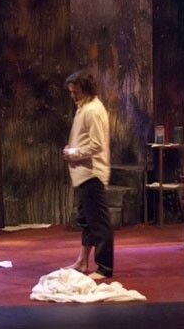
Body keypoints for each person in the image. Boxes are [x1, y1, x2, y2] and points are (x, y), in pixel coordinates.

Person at [62, 70, 113, 280]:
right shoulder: (84, 107)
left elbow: (96, 144)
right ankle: (83, 261)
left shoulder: (92, 110)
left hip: (92, 174)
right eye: (71, 92)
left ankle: (104, 267)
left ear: (86, 89)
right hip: (84, 174)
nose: (73, 96)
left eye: (76, 92)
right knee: (87, 221)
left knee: (99, 223)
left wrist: (73, 153)